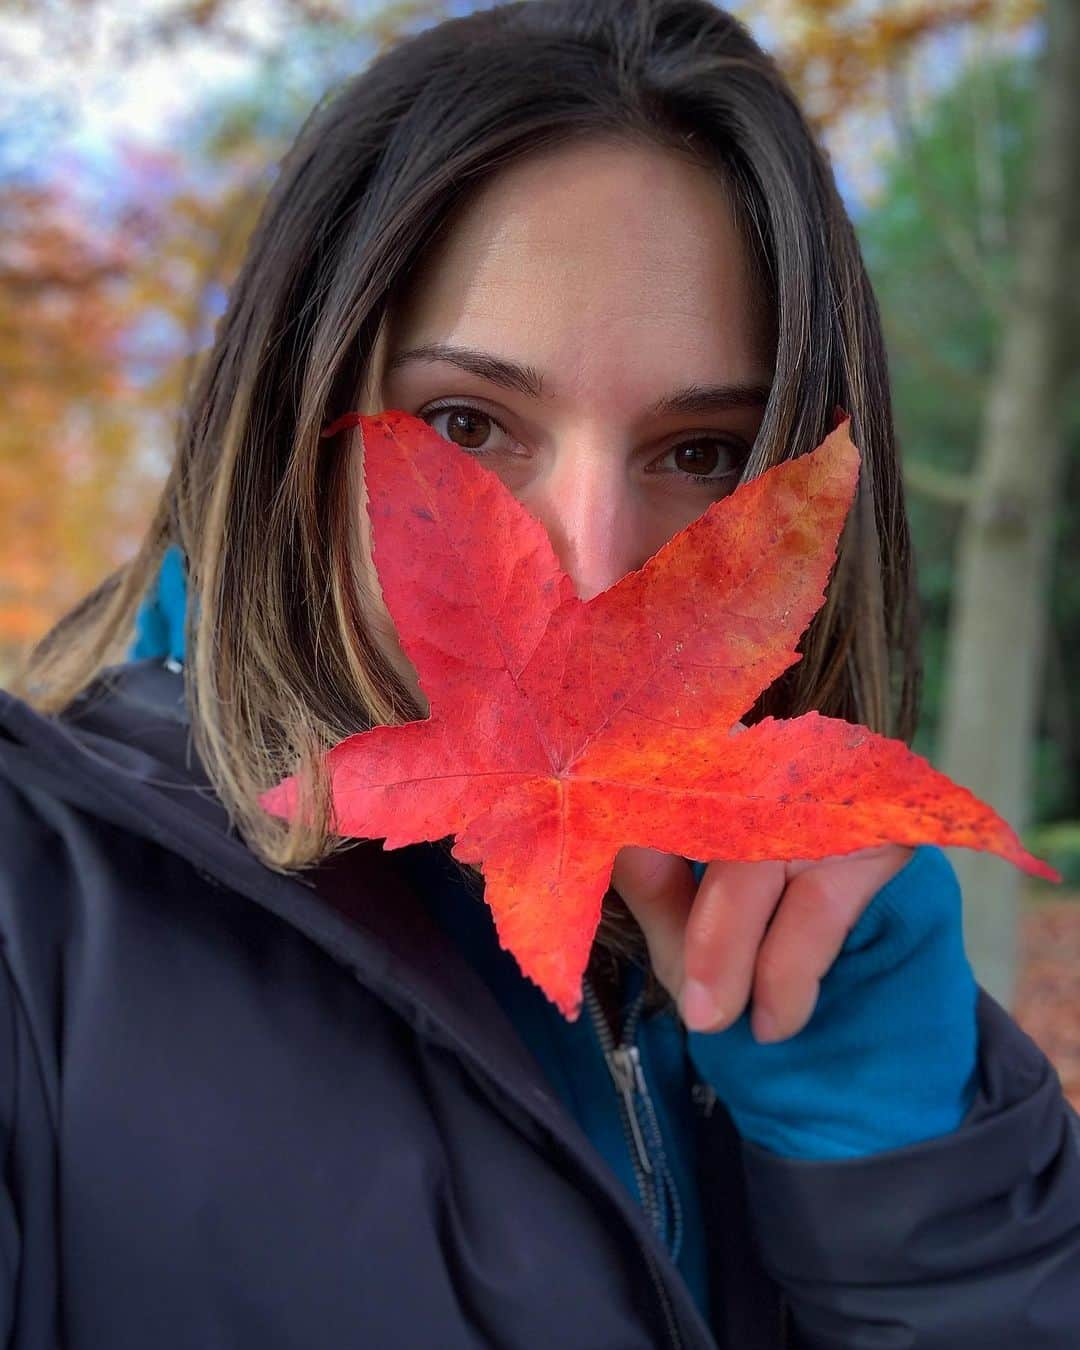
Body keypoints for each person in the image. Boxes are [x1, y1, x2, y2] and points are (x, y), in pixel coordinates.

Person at [1, 1, 1077, 1346]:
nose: (585, 561)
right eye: (466, 425)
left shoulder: (804, 947)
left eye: (698, 451)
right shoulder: (32, 909)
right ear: (290, 421)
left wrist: (921, 1196)